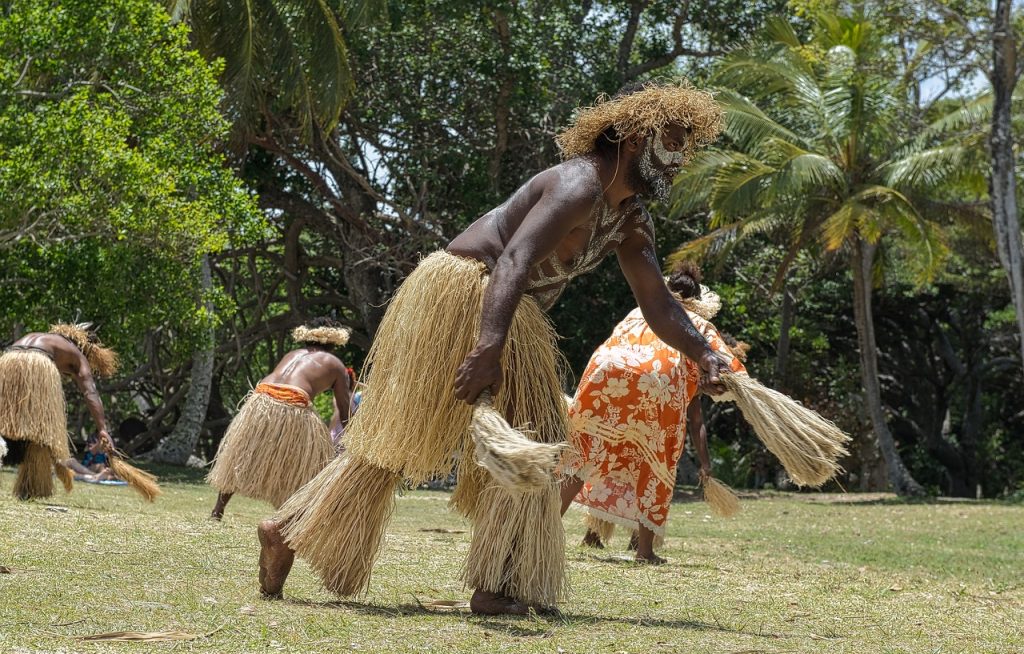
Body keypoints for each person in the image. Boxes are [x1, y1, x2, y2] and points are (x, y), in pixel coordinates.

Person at [257, 81, 733, 615]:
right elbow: (514, 260)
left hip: (508, 308)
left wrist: (704, 353)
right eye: (670, 144)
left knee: (505, 441)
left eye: (683, 150)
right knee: (450, 437)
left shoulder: (630, 219)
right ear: (632, 138)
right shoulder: (578, 183)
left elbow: (658, 303)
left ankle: (293, 529)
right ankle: (495, 585)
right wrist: (489, 347)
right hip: (466, 291)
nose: (676, 163)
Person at [560, 262, 748, 563]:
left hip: (604, 372)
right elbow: (728, 369)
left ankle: (545, 529)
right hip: (658, 384)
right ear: (697, 301)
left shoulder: (640, 311)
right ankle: (645, 552)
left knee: (581, 456)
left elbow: (613, 341)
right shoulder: (695, 324)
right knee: (656, 464)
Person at [207, 319, 352, 520]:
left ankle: (218, 510)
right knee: (309, 460)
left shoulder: (292, 355)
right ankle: (293, 514)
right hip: (292, 403)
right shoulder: (335, 365)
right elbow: (345, 412)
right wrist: (353, 440)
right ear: (334, 344)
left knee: (242, 452)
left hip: (259, 400)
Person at [0, 324, 117, 500]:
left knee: (6, 422)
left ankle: (29, 484)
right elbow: (90, 391)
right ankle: (30, 488)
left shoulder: (46, 338)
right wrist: (102, 428)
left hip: (8, 359)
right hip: (39, 362)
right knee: (42, 431)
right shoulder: (77, 354)